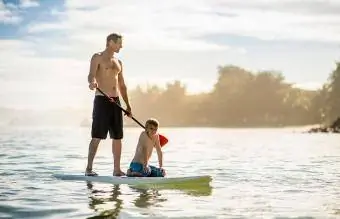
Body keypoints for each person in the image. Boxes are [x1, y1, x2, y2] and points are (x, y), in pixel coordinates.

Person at [85, 33, 132, 176]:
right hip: (102, 100)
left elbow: (122, 85)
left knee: (117, 137)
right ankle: (89, 169)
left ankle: (117, 170)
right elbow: (91, 75)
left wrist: (128, 105)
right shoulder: (97, 57)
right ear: (110, 42)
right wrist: (92, 82)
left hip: (116, 102)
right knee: (97, 136)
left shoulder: (119, 62)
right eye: (119, 43)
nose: (121, 46)